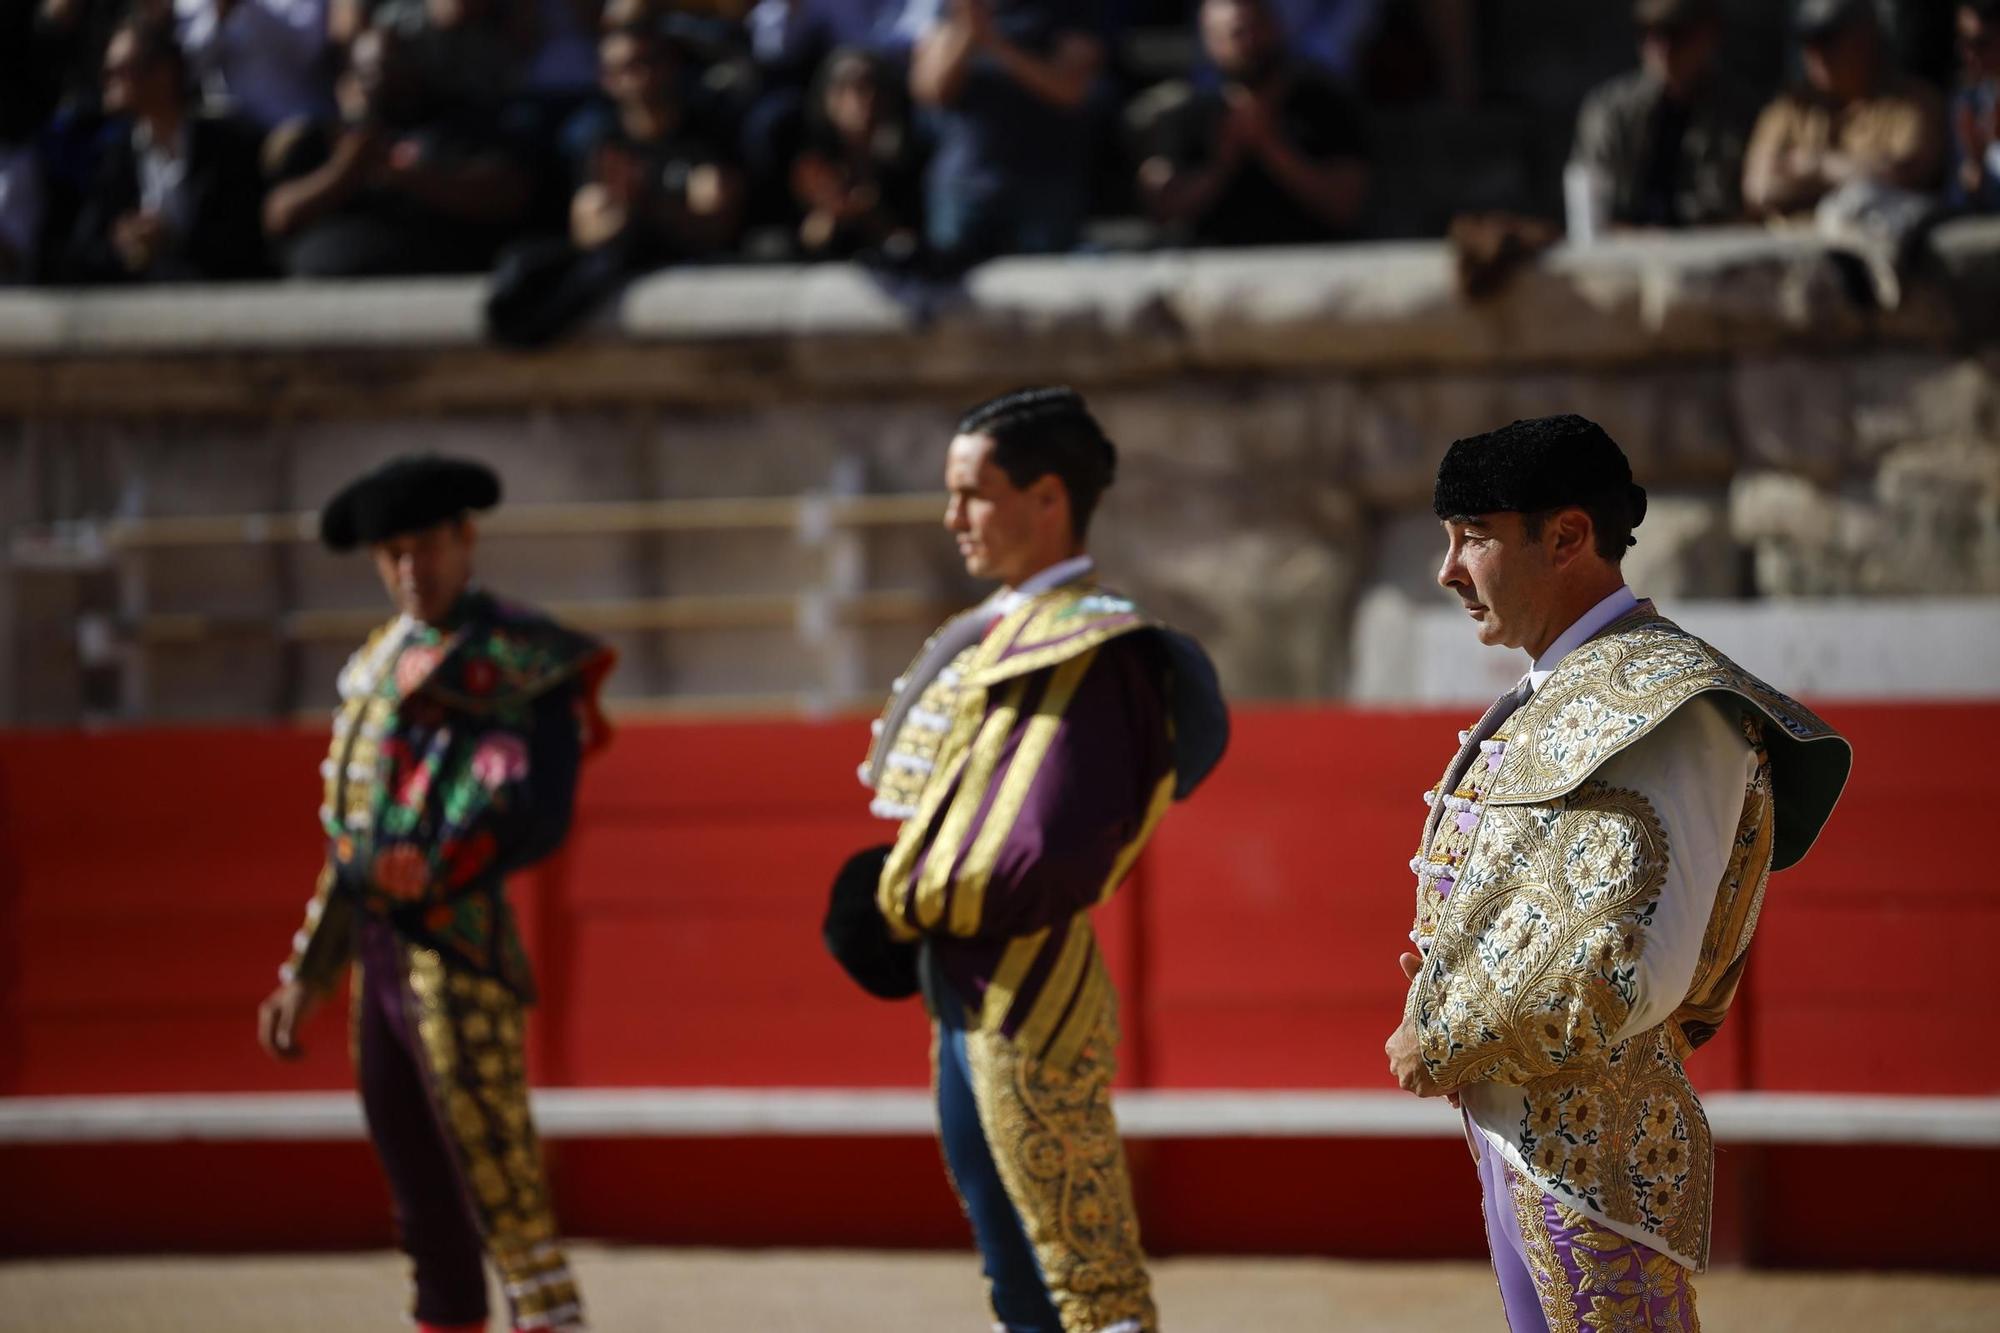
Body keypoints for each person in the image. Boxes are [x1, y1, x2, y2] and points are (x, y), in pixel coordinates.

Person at [1385, 414, 1852, 1331]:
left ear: (1567, 537)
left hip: (1600, 1154)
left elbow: (1632, 967)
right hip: (1519, 1126)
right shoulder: (1561, 687)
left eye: (1474, 537)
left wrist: (1446, 1034)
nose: (1446, 571)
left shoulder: (1668, 701)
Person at [826, 387, 1228, 1333]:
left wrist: (900, 897)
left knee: (1081, 1274)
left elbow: (1051, 851)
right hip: (962, 986)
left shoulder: (1097, 645)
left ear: (1048, 499)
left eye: (973, 492)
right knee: (1019, 1274)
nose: (952, 516)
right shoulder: (999, 637)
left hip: (1029, 987)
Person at [256, 454, 614, 1333]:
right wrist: (312, 970)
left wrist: (435, 862)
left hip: (460, 947)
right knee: (420, 1195)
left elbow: (539, 814)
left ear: (466, 537)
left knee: (503, 1189)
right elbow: (353, 841)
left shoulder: (519, 656)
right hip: (378, 955)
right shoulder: (379, 663)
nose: (411, 570)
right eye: (392, 555)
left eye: (425, 547)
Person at [262, 25, 536, 276]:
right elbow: (280, 215)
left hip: (427, 288)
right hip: (324, 296)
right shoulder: (325, 138)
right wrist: (347, 169)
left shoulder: (453, 126)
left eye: (387, 66)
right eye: (365, 71)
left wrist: (407, 177)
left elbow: (508, 193)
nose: (376, 81)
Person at [1130, 0, 1369, 247]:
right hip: (1211, 269)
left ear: (1276, 27)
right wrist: (1223, 161)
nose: (1249, 41)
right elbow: (1162, 206)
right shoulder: (1187, 113)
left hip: (1315, 261)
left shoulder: (1323, 104)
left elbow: (1345, 206)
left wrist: (1271, 146)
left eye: (1256, 27)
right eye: (1235, 32)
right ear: (1209, 41)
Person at [57, 16, 271, 282]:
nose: (109, 80)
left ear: (164, 72)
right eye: (107, 71)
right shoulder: (116, 154)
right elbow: (83, 252)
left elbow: (246, 243)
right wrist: (123, 242)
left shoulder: (225, 146)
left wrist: (173, 240)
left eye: (123, 69)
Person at [909, 0, 1107, 264]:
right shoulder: (955, 11)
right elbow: (930, 90)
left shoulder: (1065, 11)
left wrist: (995, 44)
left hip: (1044, 184)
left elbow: (1071, 91)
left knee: (1047, 292)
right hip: (963, 186)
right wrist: (968, 34)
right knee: (949, 294)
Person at [1742, 0, 1946, 220]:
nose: (1816, 53)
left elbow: (1903, 177)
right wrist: (1853, 173)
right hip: (1791, 248)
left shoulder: (1914, 102)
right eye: (1808, 41)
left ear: (1866, 35)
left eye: (1828, 39)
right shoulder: (1789, 109)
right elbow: (1760, 189)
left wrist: (1815, 166)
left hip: (1874, 248)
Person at [1568, 0, 1761, 231]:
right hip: (1623, 248)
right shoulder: (1610, 111)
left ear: (1708, 35)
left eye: (1675, 32)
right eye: (1647, 32)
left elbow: (1750, 207)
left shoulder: (1738, 112)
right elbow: (1591, 207)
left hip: (1709, 246)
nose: (1660, 46)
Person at [789, 45, 924, 259]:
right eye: (852, 88)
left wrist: (874, 215)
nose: (866, 100)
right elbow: (809, 239)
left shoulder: (907, 160)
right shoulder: (812, 165)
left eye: (874, 87)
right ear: (827, 98)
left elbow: (910, 235)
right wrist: (833, 214)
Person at [173, 0, 334, 131]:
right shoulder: (192, 4)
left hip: (304, 127)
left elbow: (310, 52)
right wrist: (220, 13)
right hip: (234, 135)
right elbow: (185, 71)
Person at [1949, 0, 2000, 211]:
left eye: (1981, 43)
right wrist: (1975, 166)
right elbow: (1955, 197)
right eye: (1963, 43)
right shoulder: (1969, 102)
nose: (1969, 53)